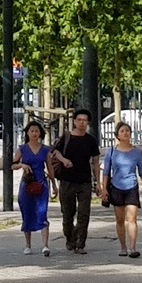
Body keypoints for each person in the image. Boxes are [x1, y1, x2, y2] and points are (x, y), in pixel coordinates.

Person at [51, 109, 101, 254]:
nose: (82, 123)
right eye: (79, 120)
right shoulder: (66, 137)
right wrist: (64, 160)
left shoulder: (91, 140)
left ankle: (80, 243)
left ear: (88, 122)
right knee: (68, 213)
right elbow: (55, 151)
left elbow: (95, 162)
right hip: (67, 180)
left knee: (84, 213)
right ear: (74, 121)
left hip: (84, 181)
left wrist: (98, 182)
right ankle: (70, 237)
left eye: (85, 120)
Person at [103, 120, 142, 257]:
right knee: (120, 220)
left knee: (132, 218)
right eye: (122, 131)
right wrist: (104, 188)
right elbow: (106, 172)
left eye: (127, 131)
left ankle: (133, 248)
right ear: (117, 135)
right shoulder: (111, 151)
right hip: (116, 187)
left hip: (132, 187)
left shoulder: (137, 152)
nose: (125, 133)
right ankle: (123, 247)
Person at [17, 120, 53, 256]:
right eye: (31, 131)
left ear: (40, 133)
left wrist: (54, 185)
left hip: (41, 184)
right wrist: (22, 165)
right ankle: (28, 245)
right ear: (27, 133)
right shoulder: (22, 149)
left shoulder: (45, 149)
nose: (34, 133)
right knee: (27, 213)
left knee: (42, 212)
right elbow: (12, 164)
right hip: (27, 184)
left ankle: (45, 245)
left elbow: (50, 167)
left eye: (36, 131)